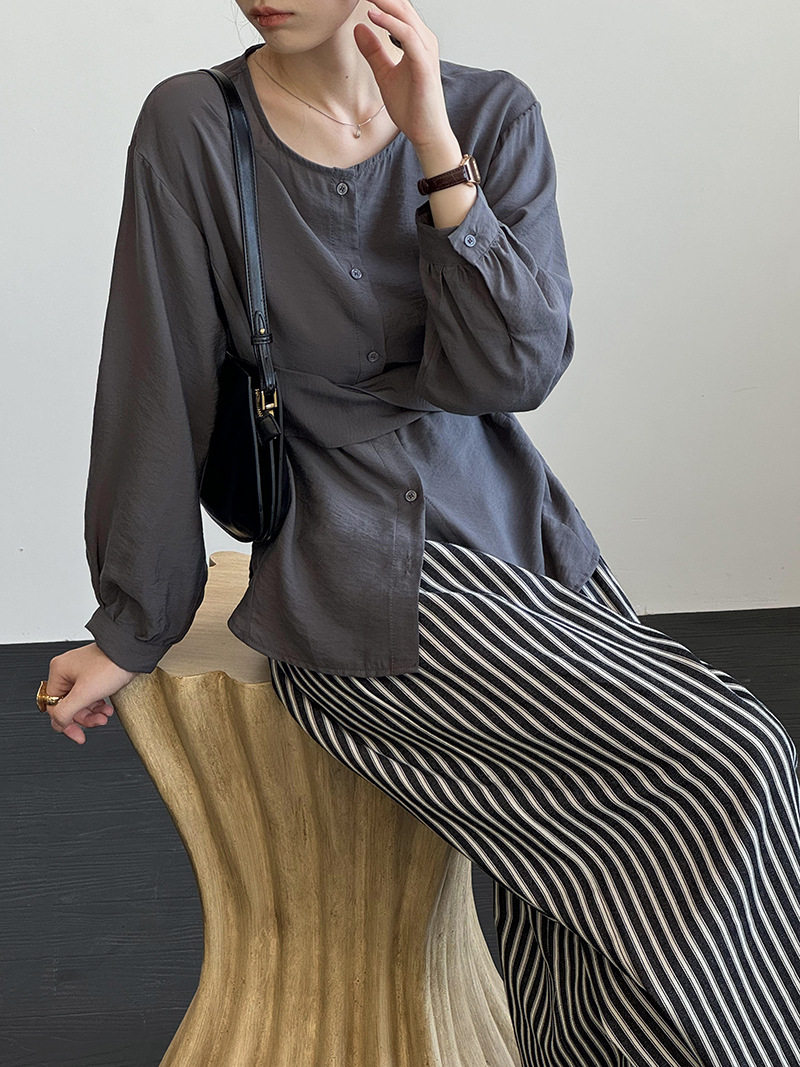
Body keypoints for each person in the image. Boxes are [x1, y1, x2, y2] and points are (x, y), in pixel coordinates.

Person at [40, 1, 800, 1063]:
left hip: (518, 539)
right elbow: (154, 374)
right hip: (351, 572)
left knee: (576, 885)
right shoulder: (195, 123)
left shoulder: (491, 113)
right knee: (736, 756)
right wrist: (132, 622)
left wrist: (435, 144)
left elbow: (514, 371)